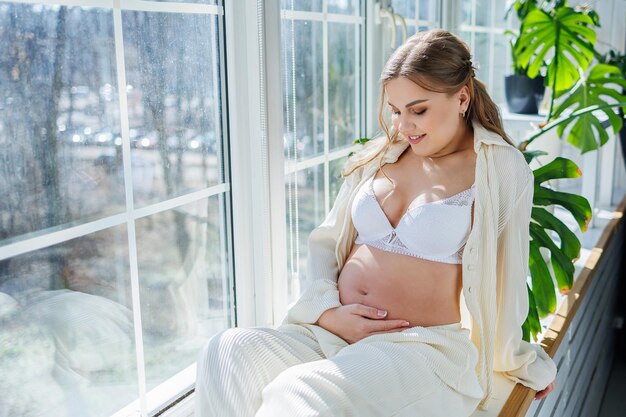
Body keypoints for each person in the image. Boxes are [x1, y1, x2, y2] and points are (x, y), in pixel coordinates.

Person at [195, 28, 557, 417]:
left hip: (420, 350)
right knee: (227, 351)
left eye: (418, 110)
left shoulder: (498, 167)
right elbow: (325, 243)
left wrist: (523, 362)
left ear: (462, 98)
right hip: (332, 332)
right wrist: (327, 313)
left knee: (298, 393)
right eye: (396, 111)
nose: (404, 126)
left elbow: (508, 276)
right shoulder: (381, 156)